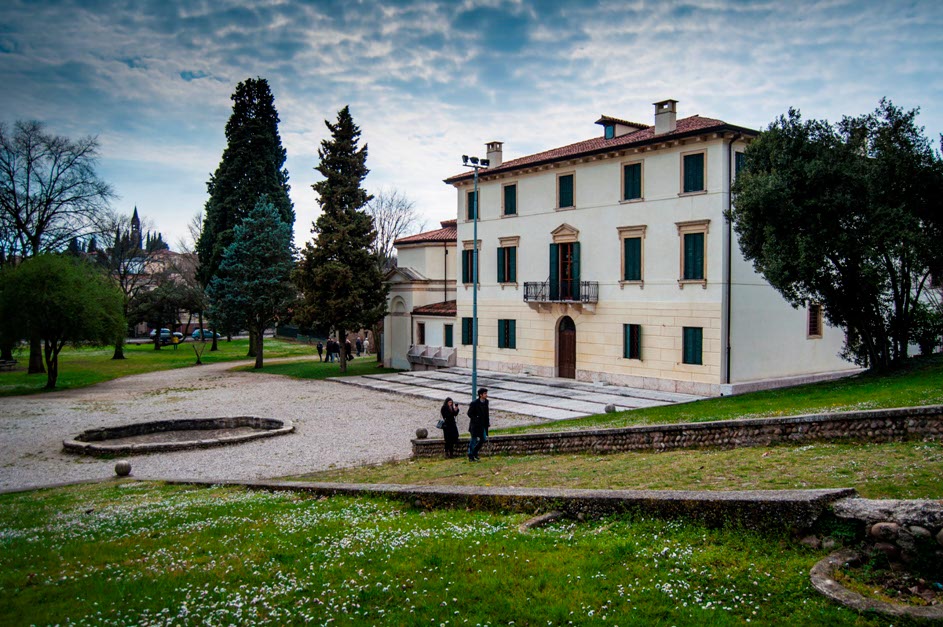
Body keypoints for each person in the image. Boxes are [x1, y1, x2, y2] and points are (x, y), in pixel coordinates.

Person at [467, 387, 489, 462]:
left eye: (486, 393)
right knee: (473, 440)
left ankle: (475, 452)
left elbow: (486, 413)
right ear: (480, 395)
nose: (486, 395)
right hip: (475, 425)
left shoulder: (486, 402)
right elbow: (469, 413)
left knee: (483, 438)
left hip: (482, 424)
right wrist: (476, 419)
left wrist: (487, 422)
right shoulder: (474, 403)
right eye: (485, 393)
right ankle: (470, 455)